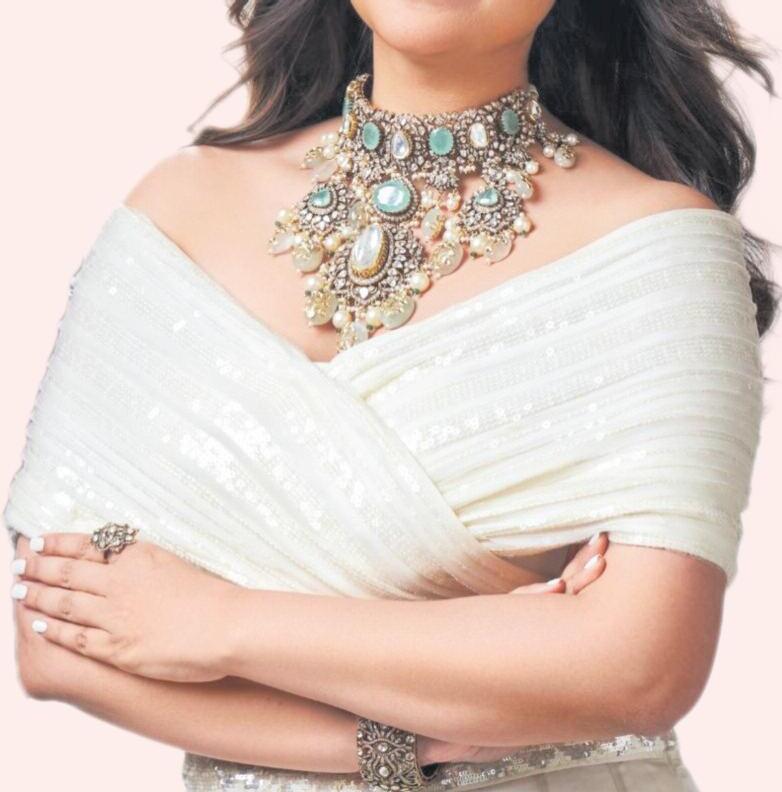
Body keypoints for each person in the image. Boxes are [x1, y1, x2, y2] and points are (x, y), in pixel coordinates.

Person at [5, 1, 776, 790]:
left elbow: (640, 670)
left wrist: (214, 622)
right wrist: (401, 738)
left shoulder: (654, 248)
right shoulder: (179, 209)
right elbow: (53, 636)